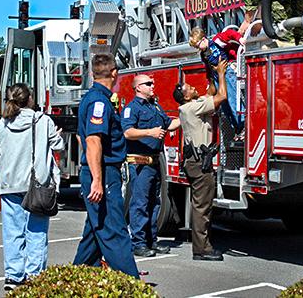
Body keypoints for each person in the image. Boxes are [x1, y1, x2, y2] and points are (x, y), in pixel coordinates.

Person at [0, 83, 64, 291]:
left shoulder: (1, 124)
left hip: (8, 183)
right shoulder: (43, 121)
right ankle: (35, 276)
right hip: (37, 184)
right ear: (30, 99)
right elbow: (58, 146)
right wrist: (56, 136)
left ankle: (13, 276)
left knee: (12, 232)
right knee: (36, 231)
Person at [73, 53, 139, 278]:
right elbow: (92, 140)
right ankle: (132, 285)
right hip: (103, 172)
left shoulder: (93, 98)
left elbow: (82, 138)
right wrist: (98, 181)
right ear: (114, 73)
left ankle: (80, 277)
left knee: (95, 231)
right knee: (114, 231)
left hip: (99, 171)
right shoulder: (99, 102)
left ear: (92, 74)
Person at [172, 58, 228, 261]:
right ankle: (202, 249)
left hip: (194, 162)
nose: (193, 87)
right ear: (185, 96)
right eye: (188, 87)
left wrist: (210, 70)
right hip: (199, 163)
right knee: (202, 208)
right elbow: (221, 95)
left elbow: (211, 92)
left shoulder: (191, 106)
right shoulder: (191, 108)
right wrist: (221, 73)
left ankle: (202, 246)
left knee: (201, 206)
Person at [122, 74, 180, 257]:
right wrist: (150, 132)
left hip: (154, 162)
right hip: (139, 162)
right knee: (140, 203)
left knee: (154, 203)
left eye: (152, 83)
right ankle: (138, 243)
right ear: (138, 87)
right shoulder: (131, 108)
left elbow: (169, 124)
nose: (152, 86)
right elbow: (128, 132)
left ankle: (151, 241)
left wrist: (191, 113)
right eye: (148, 84)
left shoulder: (154, 106)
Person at [189, 27, 245, 138]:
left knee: (232, 99)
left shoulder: (217, 41)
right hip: (217, 76)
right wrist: (209, 82)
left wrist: (240, 39)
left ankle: (243, 125)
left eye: (198, 45)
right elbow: (208, 69)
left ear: (204, 39)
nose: (198, 49)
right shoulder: (203, 54)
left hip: (226, 72)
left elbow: (229, 33)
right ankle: (237, 128)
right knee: (224, 105)